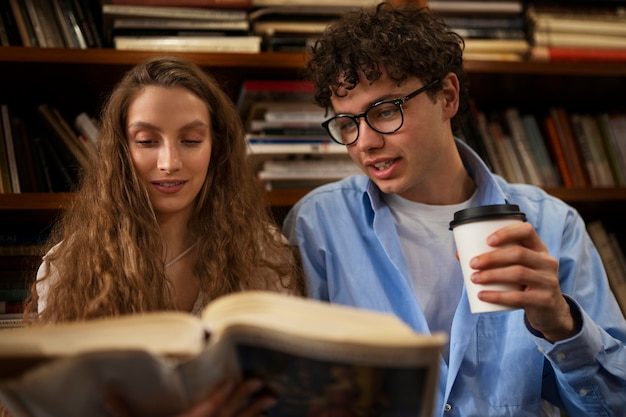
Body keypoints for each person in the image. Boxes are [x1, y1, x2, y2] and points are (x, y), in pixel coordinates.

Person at [282, 3, 626, 416]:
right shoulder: (317, 226)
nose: (364, 143)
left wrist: (559, 322)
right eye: (347, 123)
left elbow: (613, 408)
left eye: (386, 111)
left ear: (447, 96)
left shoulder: (553, 225)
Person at [20, 56, 305, 416]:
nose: (169, 162)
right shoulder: (66, 266)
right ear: (121, 151)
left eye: (190, 139)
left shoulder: (266, 254)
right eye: (147, 141)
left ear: (215, 147)